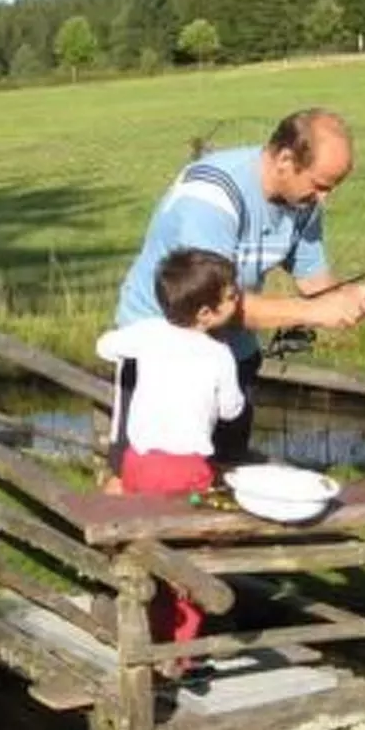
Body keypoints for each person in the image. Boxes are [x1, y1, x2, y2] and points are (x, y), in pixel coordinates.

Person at [108, 107, 365, 478]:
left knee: (224, 475)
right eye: (320, 185)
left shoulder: (303, 201)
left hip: (230, 353)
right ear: (286, 158)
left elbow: (315, 280)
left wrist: (350, 297)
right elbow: (214, 304)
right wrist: (313, 312)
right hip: (163, 350)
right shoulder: (210, 197)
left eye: (331, 189)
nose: (324, 200)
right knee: (136, 477)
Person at [96, 248, 244, 672]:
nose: (238, 301)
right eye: (231, 297)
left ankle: (148, 633)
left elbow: (105, 345)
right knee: (189, 558)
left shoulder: (148, 333)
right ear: (204, 312)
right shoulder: (219, 355)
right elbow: (233, 409)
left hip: (139, 464)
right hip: (186, 470)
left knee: (146, 546)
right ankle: (180, 656)